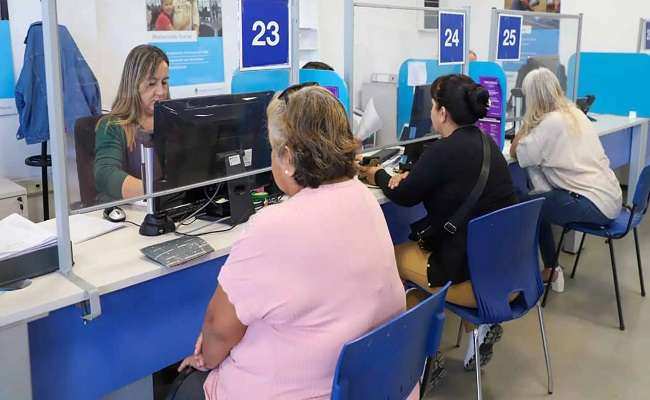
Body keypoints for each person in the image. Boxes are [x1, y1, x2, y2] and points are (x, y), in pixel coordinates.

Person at [178, 85, 411, 399]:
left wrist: (206, 358)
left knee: (187, 387)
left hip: (311, 389)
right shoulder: (364, 198)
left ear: (287, 158)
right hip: (375, 384)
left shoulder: (273, 227)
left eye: (273, 149)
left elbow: (218, 327)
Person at [359, 74, 517, 370]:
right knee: (421, 276)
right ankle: (471, 333)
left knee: (390, 259)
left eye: (433, 105)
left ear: (442, 113)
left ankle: (420, 361)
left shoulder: (444, 150)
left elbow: (404, 195)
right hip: (508, 274)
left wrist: (376, 173)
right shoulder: (486, 144)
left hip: (475, 282)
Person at [510, 67, 622, 292]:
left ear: (532, 97)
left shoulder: (549, 123)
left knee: (528, 205)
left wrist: (527, 121)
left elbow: (516, 152)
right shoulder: (574, 112)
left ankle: (546, 271)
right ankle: (550, 268)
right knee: (538, 200)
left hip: (592, 204)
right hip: (611, 198)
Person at [94, 45, 169, 203]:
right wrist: (157, 192)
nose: (161, 92)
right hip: (132, 216)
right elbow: (105, 174)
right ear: (133, 85)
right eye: (151, 83)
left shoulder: (174, 121)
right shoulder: (112, 126)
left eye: (164, 82)